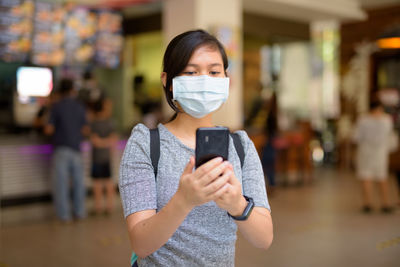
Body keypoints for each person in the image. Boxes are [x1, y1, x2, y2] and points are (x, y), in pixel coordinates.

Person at [119, 30, 273, 267]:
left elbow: (264, 239)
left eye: (213, 72)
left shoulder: (241, 146)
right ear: (167, 81)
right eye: (191, 72)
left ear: (226, 80)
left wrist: (237, 205)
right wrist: (184, 200)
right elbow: (141, 244)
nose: (204, 80)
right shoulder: (145, 144)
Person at [45, 78, 89, 222]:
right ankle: (80, 212)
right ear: (72, 90)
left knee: (61, 185)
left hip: (61, 150)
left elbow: (49, 129)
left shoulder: (56, 106)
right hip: (76, 149)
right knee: (78, 184)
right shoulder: (79, 106)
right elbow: (85, 129)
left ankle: (64, 216)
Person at [353, 100, 394, 213]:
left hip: (365, 151)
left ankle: (367, 204)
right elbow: (389, 135)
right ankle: (385, 203)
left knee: (366, 177)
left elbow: (356, 137)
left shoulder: (363, 120)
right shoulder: (386, 120)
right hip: (380, 152)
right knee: (382, 177)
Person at [89, 98, 117, 216]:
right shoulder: (110, 123)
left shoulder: (93, 124)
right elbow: (113, 140)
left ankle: (98, 208)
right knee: (108, 182)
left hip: (96, 157)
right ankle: (110, 207)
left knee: (97, 183)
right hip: (107, 157)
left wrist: (101, 143)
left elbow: (94, 141)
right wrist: (107, 143)